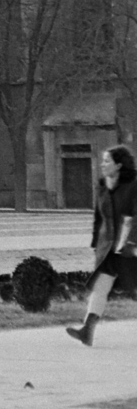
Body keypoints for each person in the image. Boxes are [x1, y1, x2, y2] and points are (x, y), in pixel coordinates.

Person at [66, 143, 137, 346]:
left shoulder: (133, 186)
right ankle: (87, 330)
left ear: (119, 165)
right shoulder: (102, 187)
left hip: (129, 247)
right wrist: (96, 243)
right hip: (108, 248)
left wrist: (131, 241)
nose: (102, 164)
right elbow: (99, 217)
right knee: (100, 287)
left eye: (107, 161)